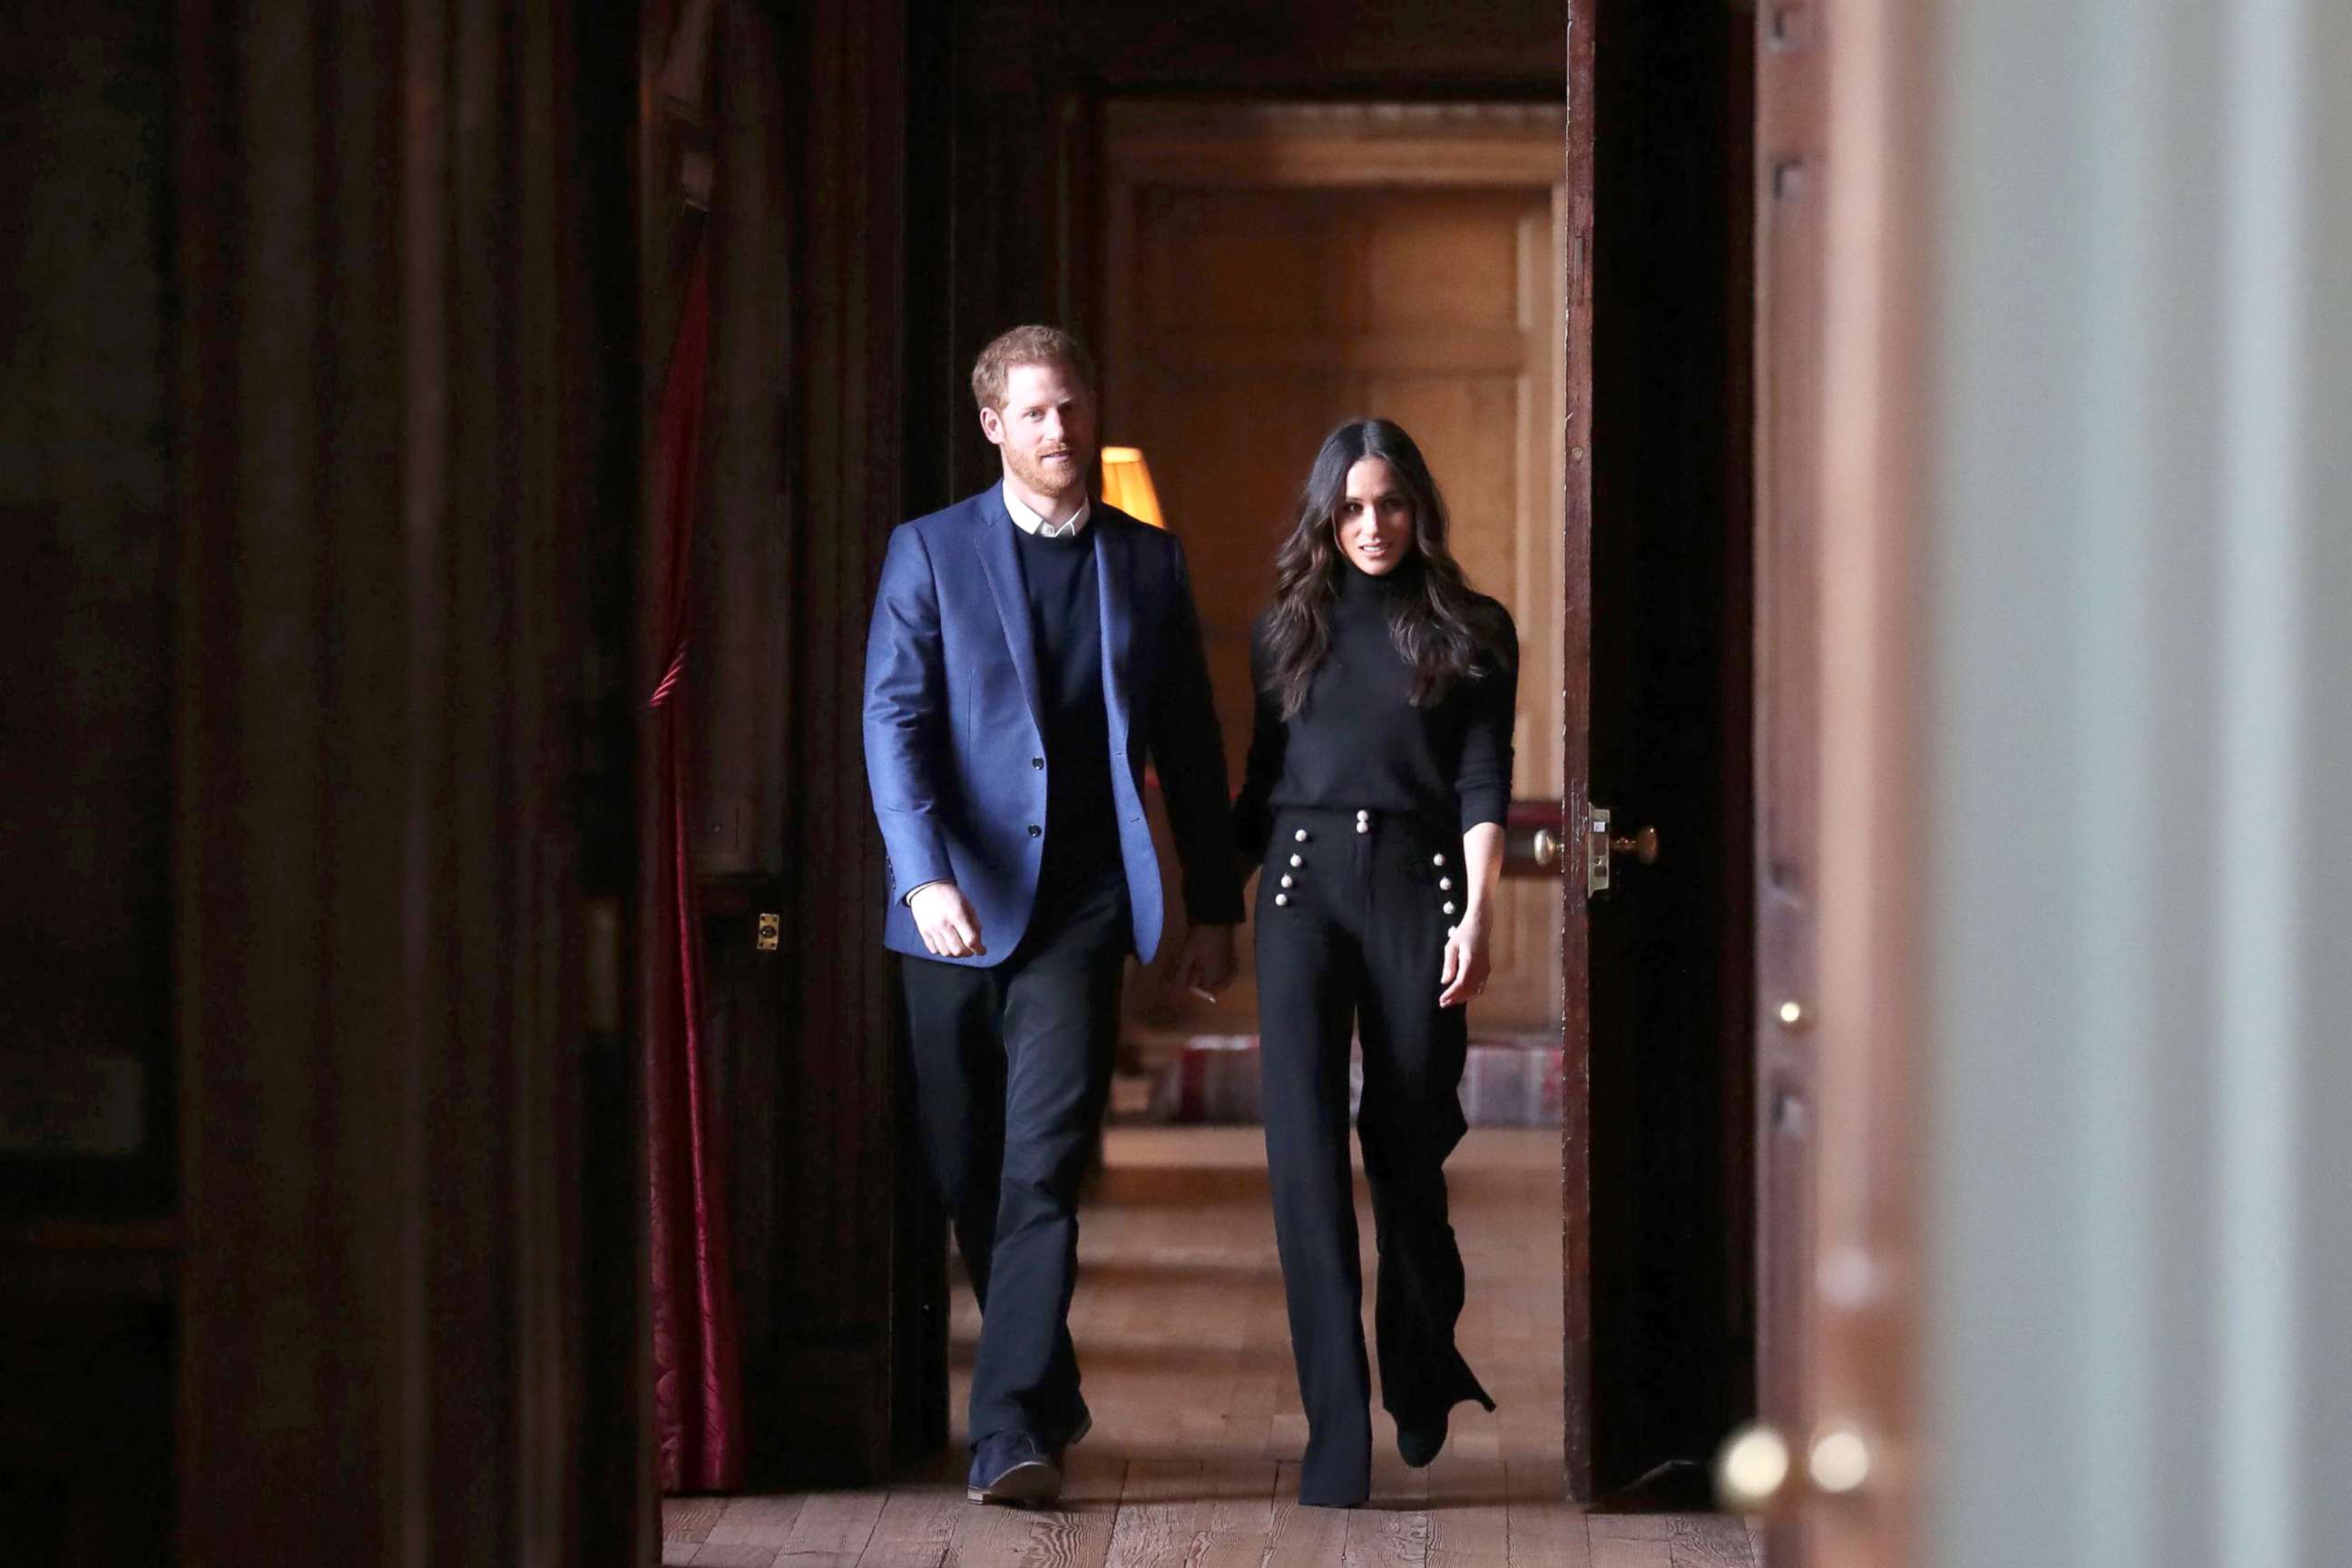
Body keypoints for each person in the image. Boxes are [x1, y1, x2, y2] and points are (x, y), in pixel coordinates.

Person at [863, 325, 1242, 1506]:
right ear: (993, 426)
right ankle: (1049, 1381)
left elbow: (1189, 738)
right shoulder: (926, 554)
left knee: (1041, 1169)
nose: (1059, 432)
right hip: (951, 910)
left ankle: (1012, 1434)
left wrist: (1214, 905)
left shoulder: (1148, 563)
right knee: (967, 1166)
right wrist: (923, 877)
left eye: (1072, 409)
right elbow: (896, 722)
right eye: (1033, 413)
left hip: (1081, 906)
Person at [1233, 417, 1516, 1509]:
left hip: (1419, 887)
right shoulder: (1284, 631)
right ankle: (1334, 1438)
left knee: (1408, 1144)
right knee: (1304, 1163)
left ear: (1418, 507)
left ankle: (1420, 1359)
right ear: (1324, 514)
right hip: (1301, 894)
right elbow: (1263, 782)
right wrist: (1209, 907)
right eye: (1349, 507)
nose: (1370, 525)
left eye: (1389, 503)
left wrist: (1479, 917)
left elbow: (1484, 779)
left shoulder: (1473, 629)